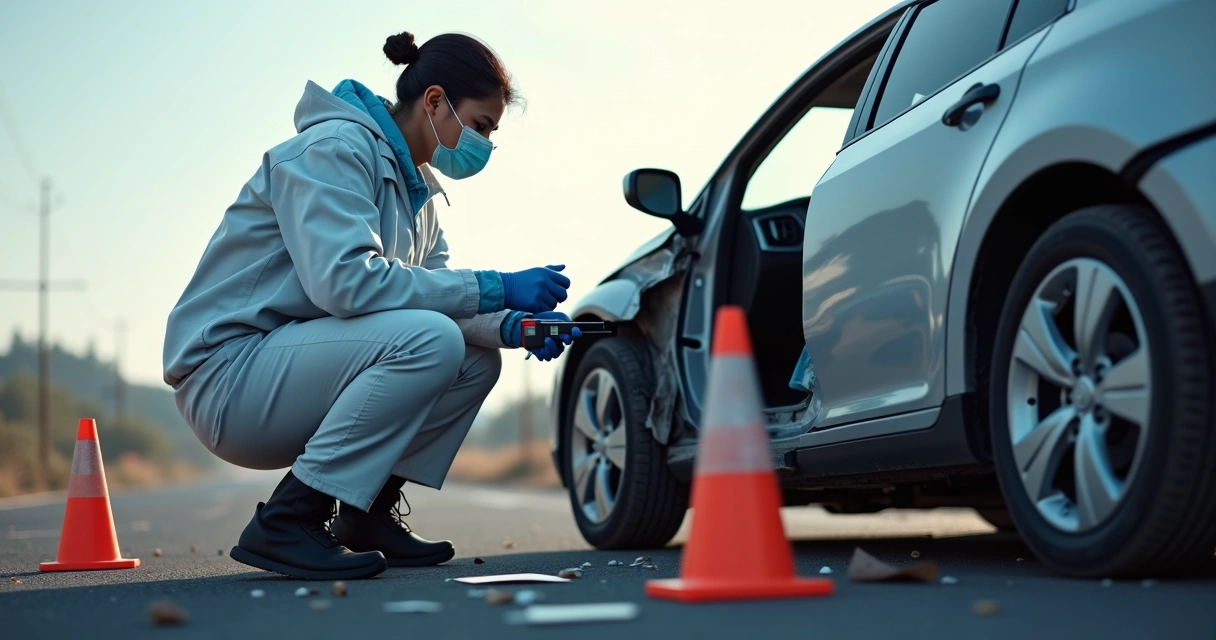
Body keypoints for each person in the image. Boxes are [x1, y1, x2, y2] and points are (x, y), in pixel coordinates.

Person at [162, 30, 581, 581]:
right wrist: (498, 285)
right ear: (434, 102)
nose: (485, 147)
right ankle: (289, 520)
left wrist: (513, 326)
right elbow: (345, 285)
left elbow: (439, 298)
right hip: (230, 376)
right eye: (480, 126)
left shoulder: (419, 196)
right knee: (431, 341)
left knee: (474, 358)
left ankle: (363, 514)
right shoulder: (333, 150)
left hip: (291, 370)